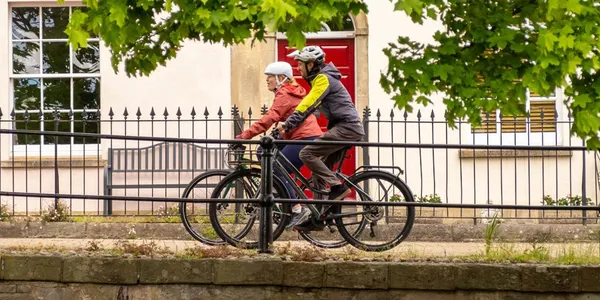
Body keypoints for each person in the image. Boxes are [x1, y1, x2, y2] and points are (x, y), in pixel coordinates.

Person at [276, 46, 365, 231]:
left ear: (310, 64)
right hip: (343, 128)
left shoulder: (323, 78)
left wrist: (288, 123)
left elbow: (308, 103)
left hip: (347, 128)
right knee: (318, 171)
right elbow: (312, 109)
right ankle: (321, 217)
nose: (298, 68)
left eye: (300, 64)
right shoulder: (321, 79)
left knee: (307, 154)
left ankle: (338, 188)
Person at [235, 61, 322, 229]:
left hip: (304, 138)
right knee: (262, 152)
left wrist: (245, 135)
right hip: (299, 137)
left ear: (282, 78)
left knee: (276, 167)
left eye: (270, 77)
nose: (267, 80)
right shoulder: (289, 92)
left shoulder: (285, 94)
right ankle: (277, 186)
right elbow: (284, 118)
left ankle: (297, 209)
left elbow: (270, 117)